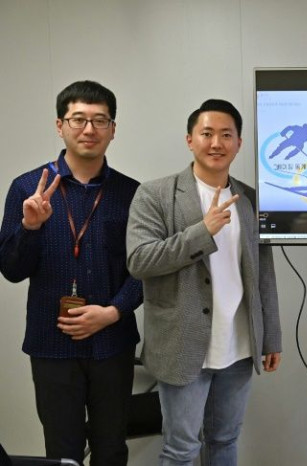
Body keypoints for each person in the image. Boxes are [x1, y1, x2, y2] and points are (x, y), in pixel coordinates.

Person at [126, 99, 282, 466]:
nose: (216, 143)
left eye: (226, 135)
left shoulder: (250, 200)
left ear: (239, 144)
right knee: (181, 450)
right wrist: (203, 231)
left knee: (225, 441)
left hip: (240, 345)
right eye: (207, 133)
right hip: (182, 345)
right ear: (190, 140)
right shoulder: (155, 195)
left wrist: (270, 335)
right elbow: (139, 261)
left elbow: (263, 274)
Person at [0, 81, 142, 465]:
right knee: (62, 452)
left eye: (100, 120)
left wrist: (111, 312)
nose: (89, 129)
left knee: (112, 448)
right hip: (51, 343)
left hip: (113, 343)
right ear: (59, 125)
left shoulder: (133, 194)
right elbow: (11, 270)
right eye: (78, 119)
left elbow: (147, 270)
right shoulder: (28, 188)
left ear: (113, 129)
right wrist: (30, 228)